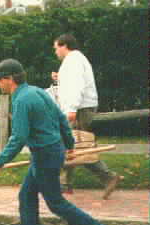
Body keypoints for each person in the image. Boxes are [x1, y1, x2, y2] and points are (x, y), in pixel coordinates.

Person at [0, 58, 117, 225]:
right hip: (51, 151)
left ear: (10, 79)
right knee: (27, 194)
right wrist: (69, 146)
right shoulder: (37, 91)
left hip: (45, 155)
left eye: (0, 79)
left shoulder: (21, 100)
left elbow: (19, 137)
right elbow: (61, 119)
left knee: (55, 203)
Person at [51, 34, 122, 197]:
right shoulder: (74, 60)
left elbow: (76, 86)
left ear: (64, 46)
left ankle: (108, 177)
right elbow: (72, 83)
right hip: (80, 107)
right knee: (71, 145)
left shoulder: (73, 61)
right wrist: (59, 77)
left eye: (56, 48)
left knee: (77, 145)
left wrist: (72, 109)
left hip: (80, 109)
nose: (55, 52)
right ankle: (65, 184)